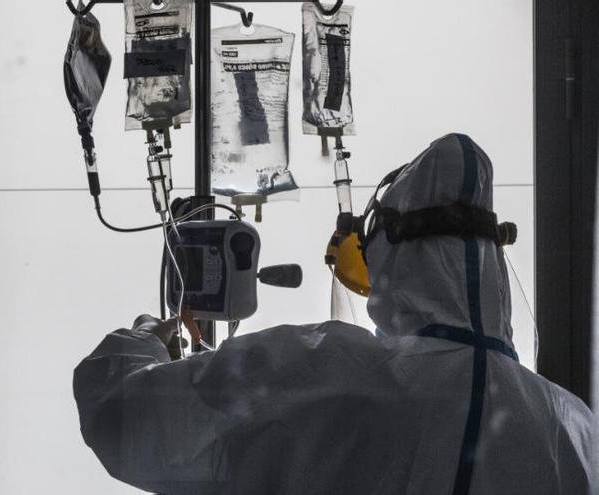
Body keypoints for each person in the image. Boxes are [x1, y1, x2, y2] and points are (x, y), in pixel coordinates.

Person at [73, 134, 596, 494]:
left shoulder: (327, 370)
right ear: (493, 258)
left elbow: (120, 419)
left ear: (390, 256)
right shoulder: (573, 427)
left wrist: (145, 338)